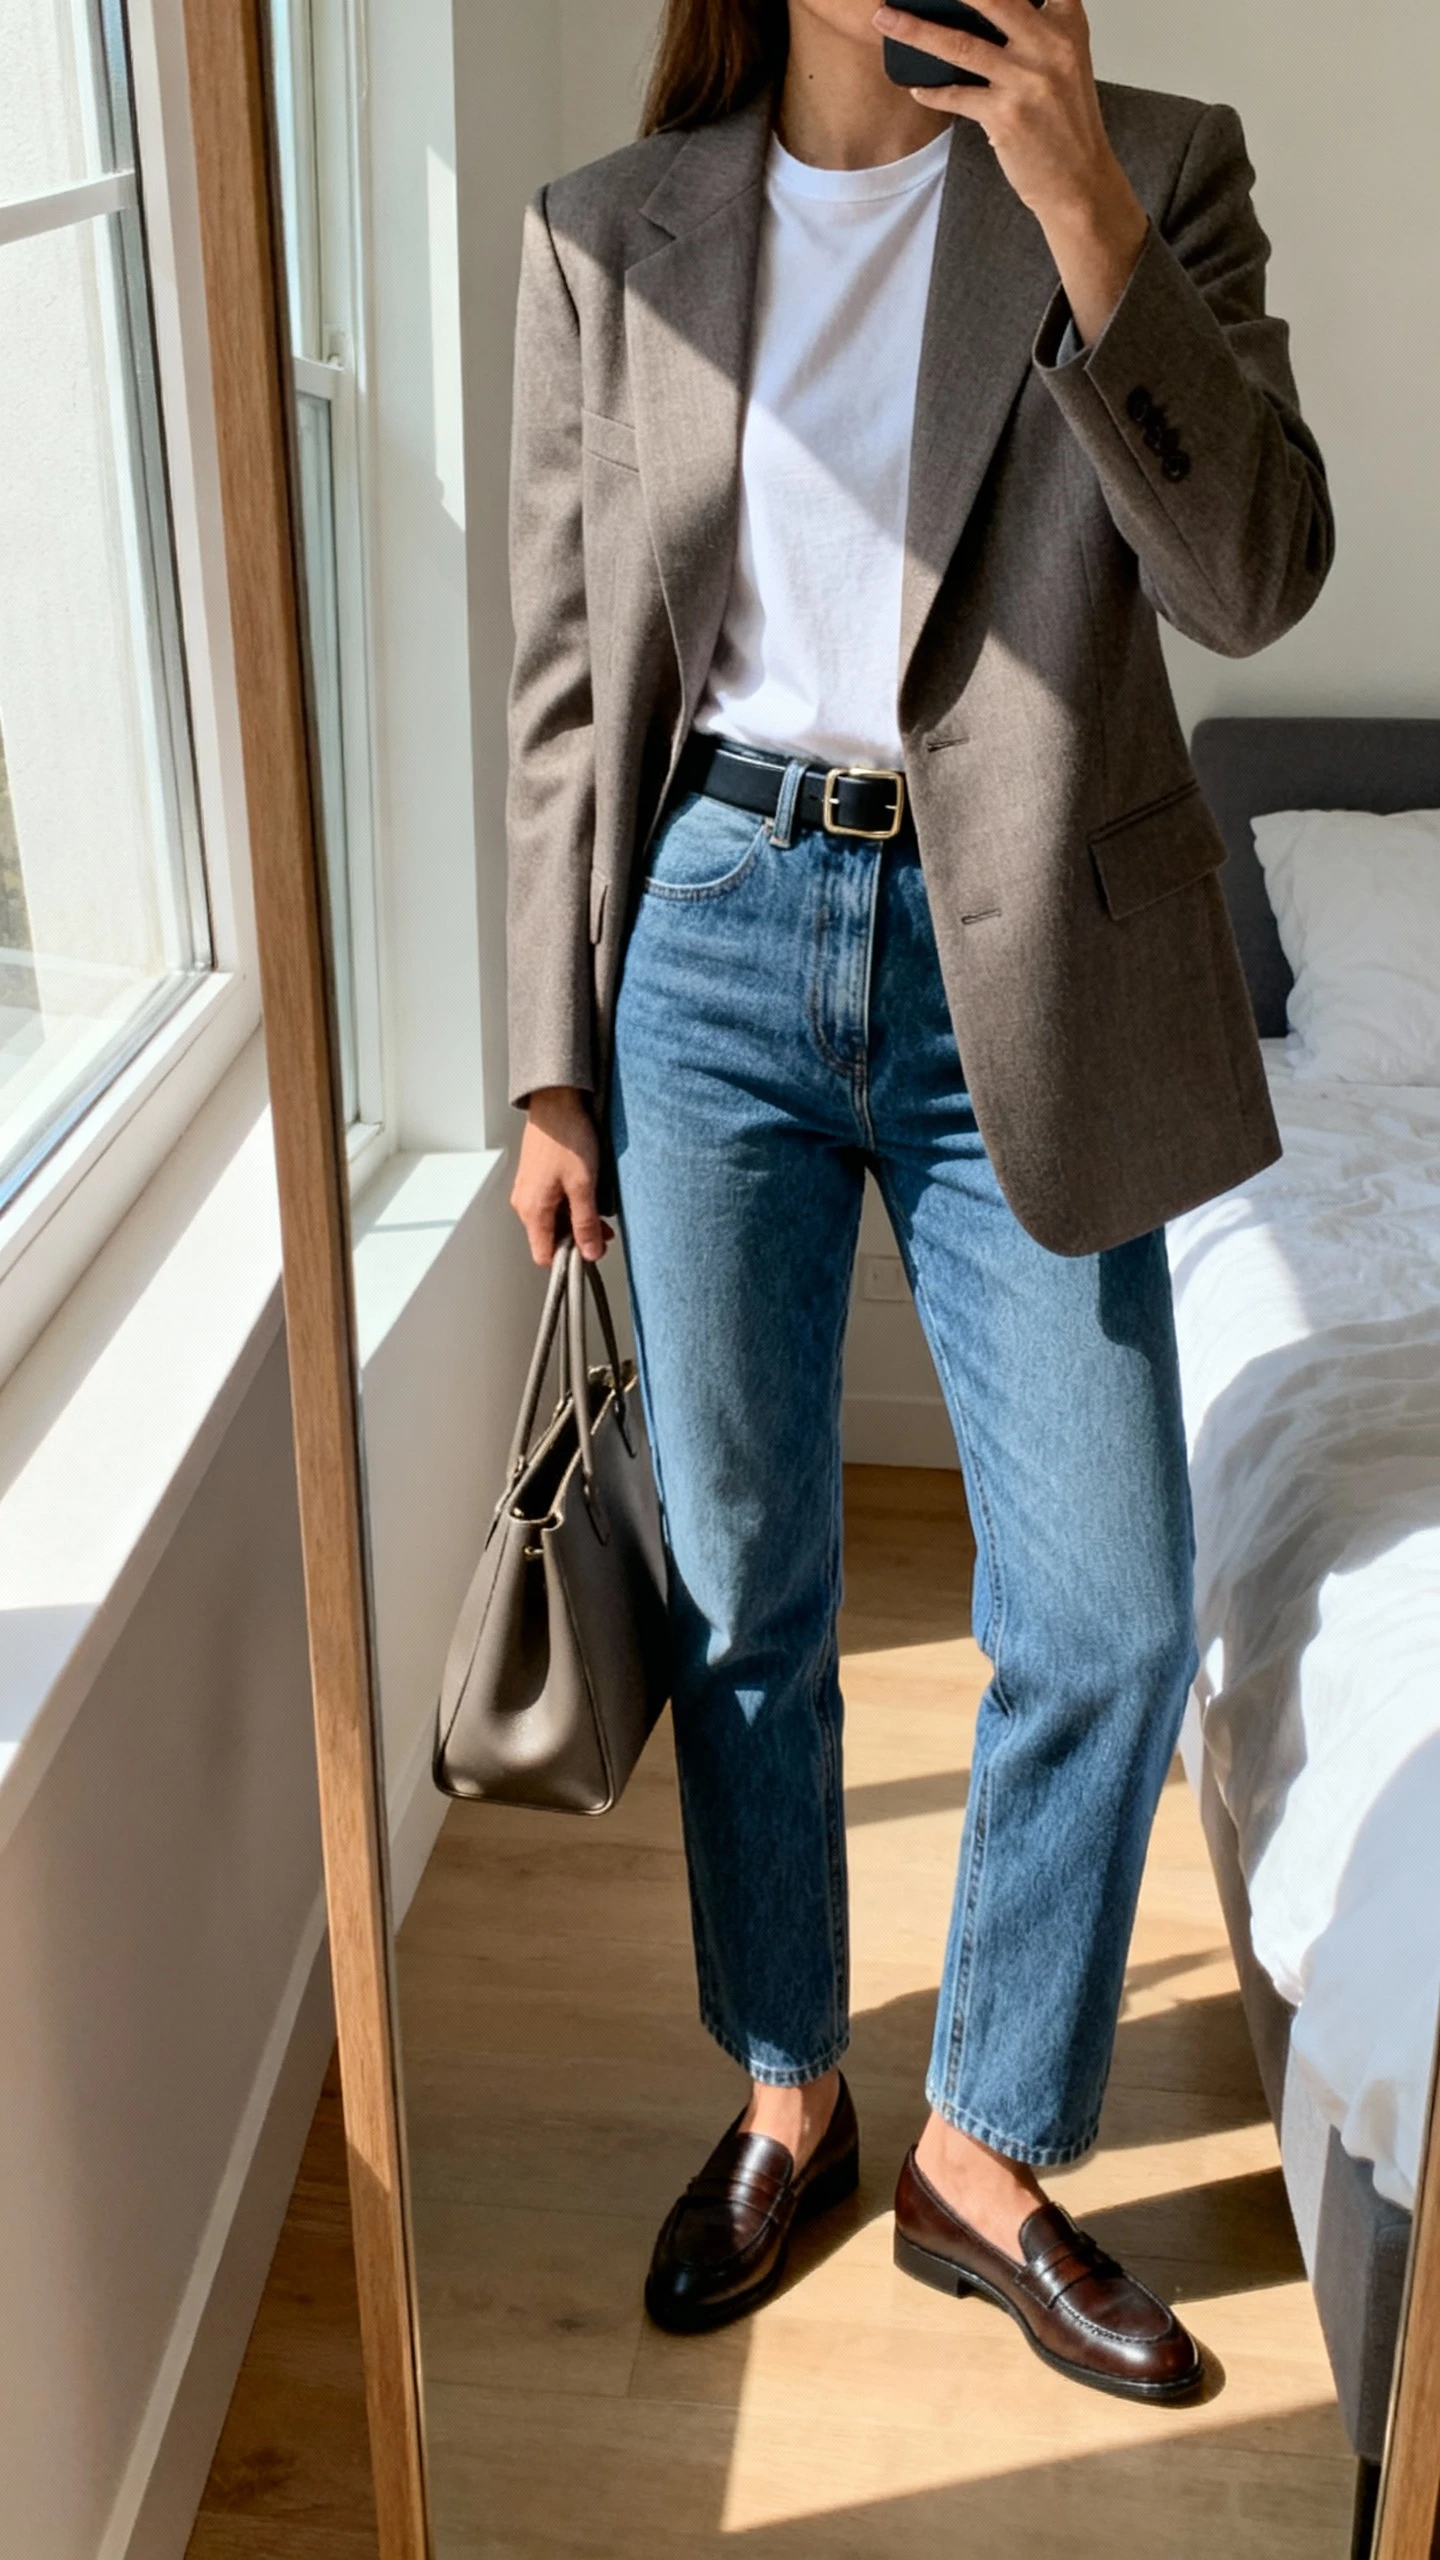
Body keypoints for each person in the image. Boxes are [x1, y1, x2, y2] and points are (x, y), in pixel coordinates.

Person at [505, 0, 1331, 2401]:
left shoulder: (1156, 167)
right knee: (747, 1581)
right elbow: (569, 684)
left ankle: (984, 2149)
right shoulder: (608, 234)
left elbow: (1255, 573)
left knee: (1112, 1601)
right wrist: (553, 1064)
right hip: (710, 938)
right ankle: (791, 2087)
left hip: (1032, 967)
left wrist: (1082, 208)